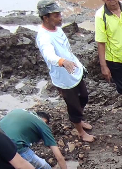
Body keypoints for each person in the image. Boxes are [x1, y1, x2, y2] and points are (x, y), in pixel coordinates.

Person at [36, 0, 94, 142]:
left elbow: (67, 50)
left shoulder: (57, 29)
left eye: (59, 14)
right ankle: (80, 131)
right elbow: (49, 55)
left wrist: (78, 65)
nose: (60, 18)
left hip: (74, 71)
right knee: (73, 105)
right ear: (45, 17)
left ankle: (78, 120)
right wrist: (62, 62)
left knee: (84, 97)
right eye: (56, 15)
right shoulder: (43, 37)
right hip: (63, 78)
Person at [0, 109, 73, 169]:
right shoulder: (42, 124)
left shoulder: (19, 111)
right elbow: (58, 156)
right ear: (45, 121)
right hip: (13, 145)